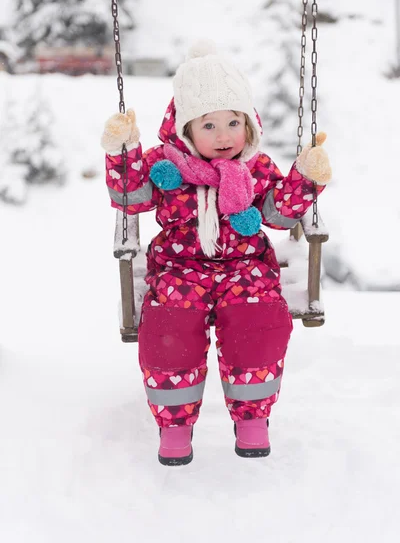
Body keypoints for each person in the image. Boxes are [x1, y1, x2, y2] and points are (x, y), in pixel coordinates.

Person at [101, 40, 331, 466]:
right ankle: (174, 425)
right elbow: (130, 196)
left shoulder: (254, 168)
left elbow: (278, 216)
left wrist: (305, 179)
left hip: (245, 268)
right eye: (208, 126)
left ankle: (252, 419)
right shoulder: (163, 165)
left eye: (233, 122)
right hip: (178, 268)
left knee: (259, 321)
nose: (224, 136)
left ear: (249, 124)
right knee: (168, 332)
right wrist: (121, 152)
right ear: (184, 129)